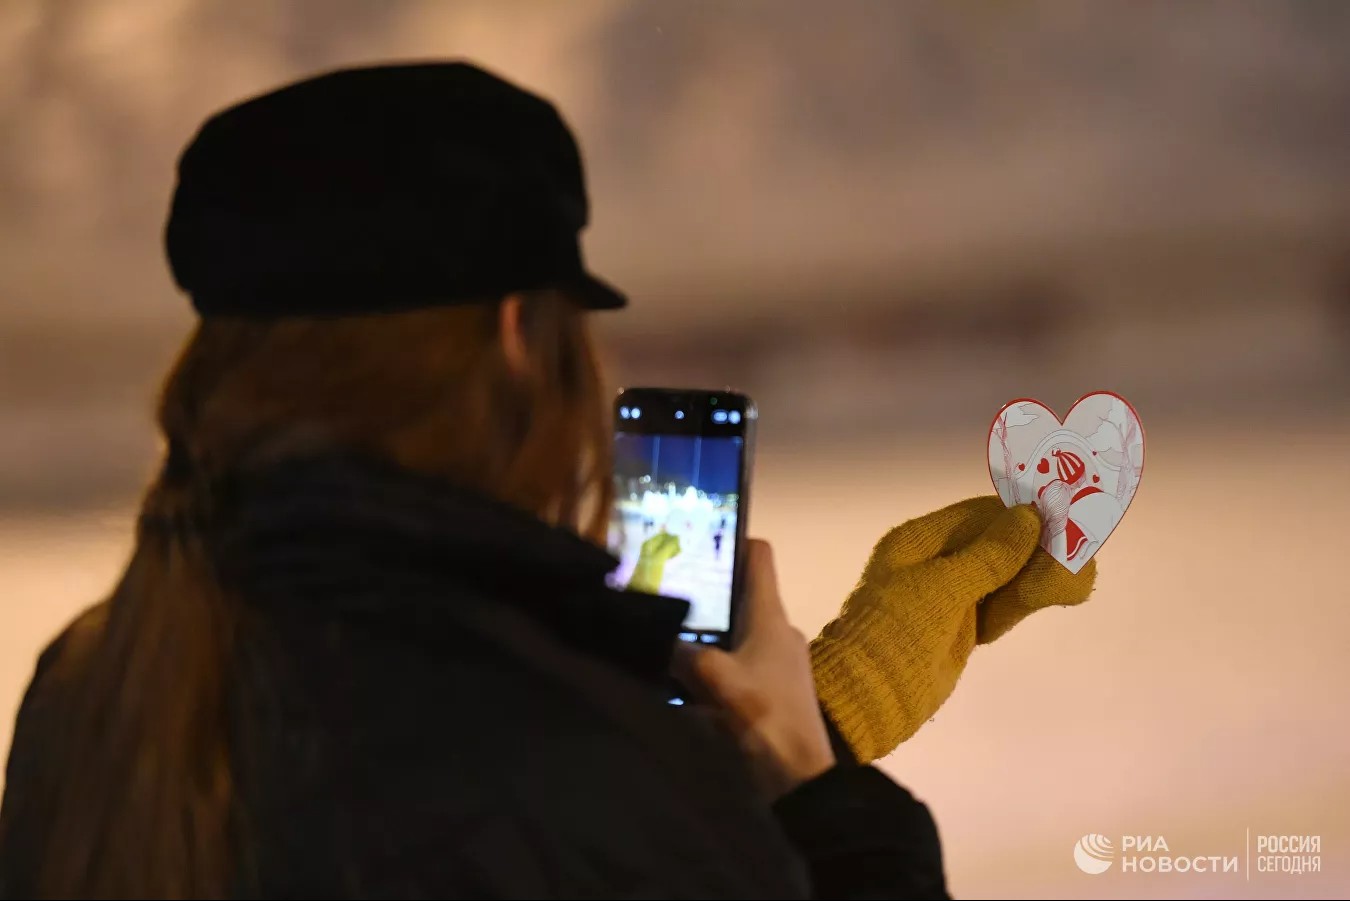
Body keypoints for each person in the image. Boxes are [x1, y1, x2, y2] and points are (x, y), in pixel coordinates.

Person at [0, 62, 1097, 900]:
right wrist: (824, 797)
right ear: (520, 335)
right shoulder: (572, 774)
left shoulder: (90, 687)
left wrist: (829, 706)